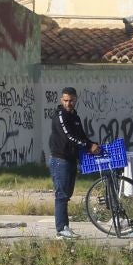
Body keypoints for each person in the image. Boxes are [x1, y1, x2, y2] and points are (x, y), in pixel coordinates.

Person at [48, 87, 100, 238]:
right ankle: (61, 229)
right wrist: (88, 146)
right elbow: (68, 137)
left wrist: (92, 144)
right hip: (60, 160)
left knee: (67, 195)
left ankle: (65, 227)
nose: (68, 103)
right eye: (65, 100)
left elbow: (81, 136)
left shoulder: (75, 117)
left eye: (71, 100)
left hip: (71, 160)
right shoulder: (60, 116)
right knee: (61, 195)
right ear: (61, 100)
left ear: (75, 100)